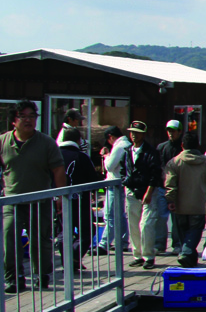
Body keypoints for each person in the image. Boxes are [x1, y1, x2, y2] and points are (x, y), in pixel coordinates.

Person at [2, 100, 67, 292]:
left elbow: (58, 169)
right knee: (9, 238)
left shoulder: (46, 142)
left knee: (41, 240)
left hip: (40, 200)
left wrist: (60, 196)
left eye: (32, 116)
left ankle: (42, 275)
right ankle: (14, 278)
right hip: (11, 201)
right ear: (14, 120)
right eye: (23, 117)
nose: (29, 120)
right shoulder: (3, 141)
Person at [163, 131, 206, 266]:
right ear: (198, 145)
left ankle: (185, 253)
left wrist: (171, 199)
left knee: (182, 231)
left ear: (182, 145)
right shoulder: (205, 162)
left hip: (180, 205)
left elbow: (170, 184)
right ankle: (188, 254)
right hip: (198, 204)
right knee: (195, 230)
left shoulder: (174, 162)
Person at [58, 126, 101, 269]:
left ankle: (67, 261)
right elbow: (93, 180)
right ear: (78, 140)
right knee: (88, 231)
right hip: (80, 202)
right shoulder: (81, 157)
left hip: (57, 201)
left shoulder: (55, 155)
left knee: (64, 231)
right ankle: (74, 258)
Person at [123, 120, 163, 269]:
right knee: (133, 224)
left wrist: (149, 191)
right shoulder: (127, 151)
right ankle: (137, 254)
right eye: (132, 132)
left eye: (137, 133)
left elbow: (155, 173)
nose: (134, 136)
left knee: (146, 224)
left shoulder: (151, 152)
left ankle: (148, 256)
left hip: (147, 191)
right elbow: (123, 169)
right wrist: (125, 182)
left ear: (143, 134)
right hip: (131, 190)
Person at [98, 125, 132, 255]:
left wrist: (106, 156)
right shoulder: (127, 144)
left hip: (115, 184)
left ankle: (104, 244)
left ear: (110, 137)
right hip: (122, 184)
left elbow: (110, 166)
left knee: (110, 215)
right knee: (121, 215)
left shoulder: (119, 146)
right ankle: (122, 242)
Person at [155, 119, 184, 257]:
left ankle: (177, 244)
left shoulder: (183, 148)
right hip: (162, 187)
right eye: (169, 131)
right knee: (160, 216)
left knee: (177, 218)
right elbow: (157, 165)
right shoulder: (161, 147)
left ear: (180, 131)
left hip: (179, 189)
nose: (171, 133)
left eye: (173, 130)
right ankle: (159, 244)